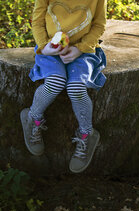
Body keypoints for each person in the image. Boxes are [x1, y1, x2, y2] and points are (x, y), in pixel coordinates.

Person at [20, 0, 107, 173]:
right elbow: (37, 20)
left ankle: (86, 134)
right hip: (51, 49)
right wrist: (45, 47)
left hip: (83, 52)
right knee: (56, 81)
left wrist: (80, 49)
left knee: (76, 88)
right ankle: (33, 117)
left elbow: (99, 24)